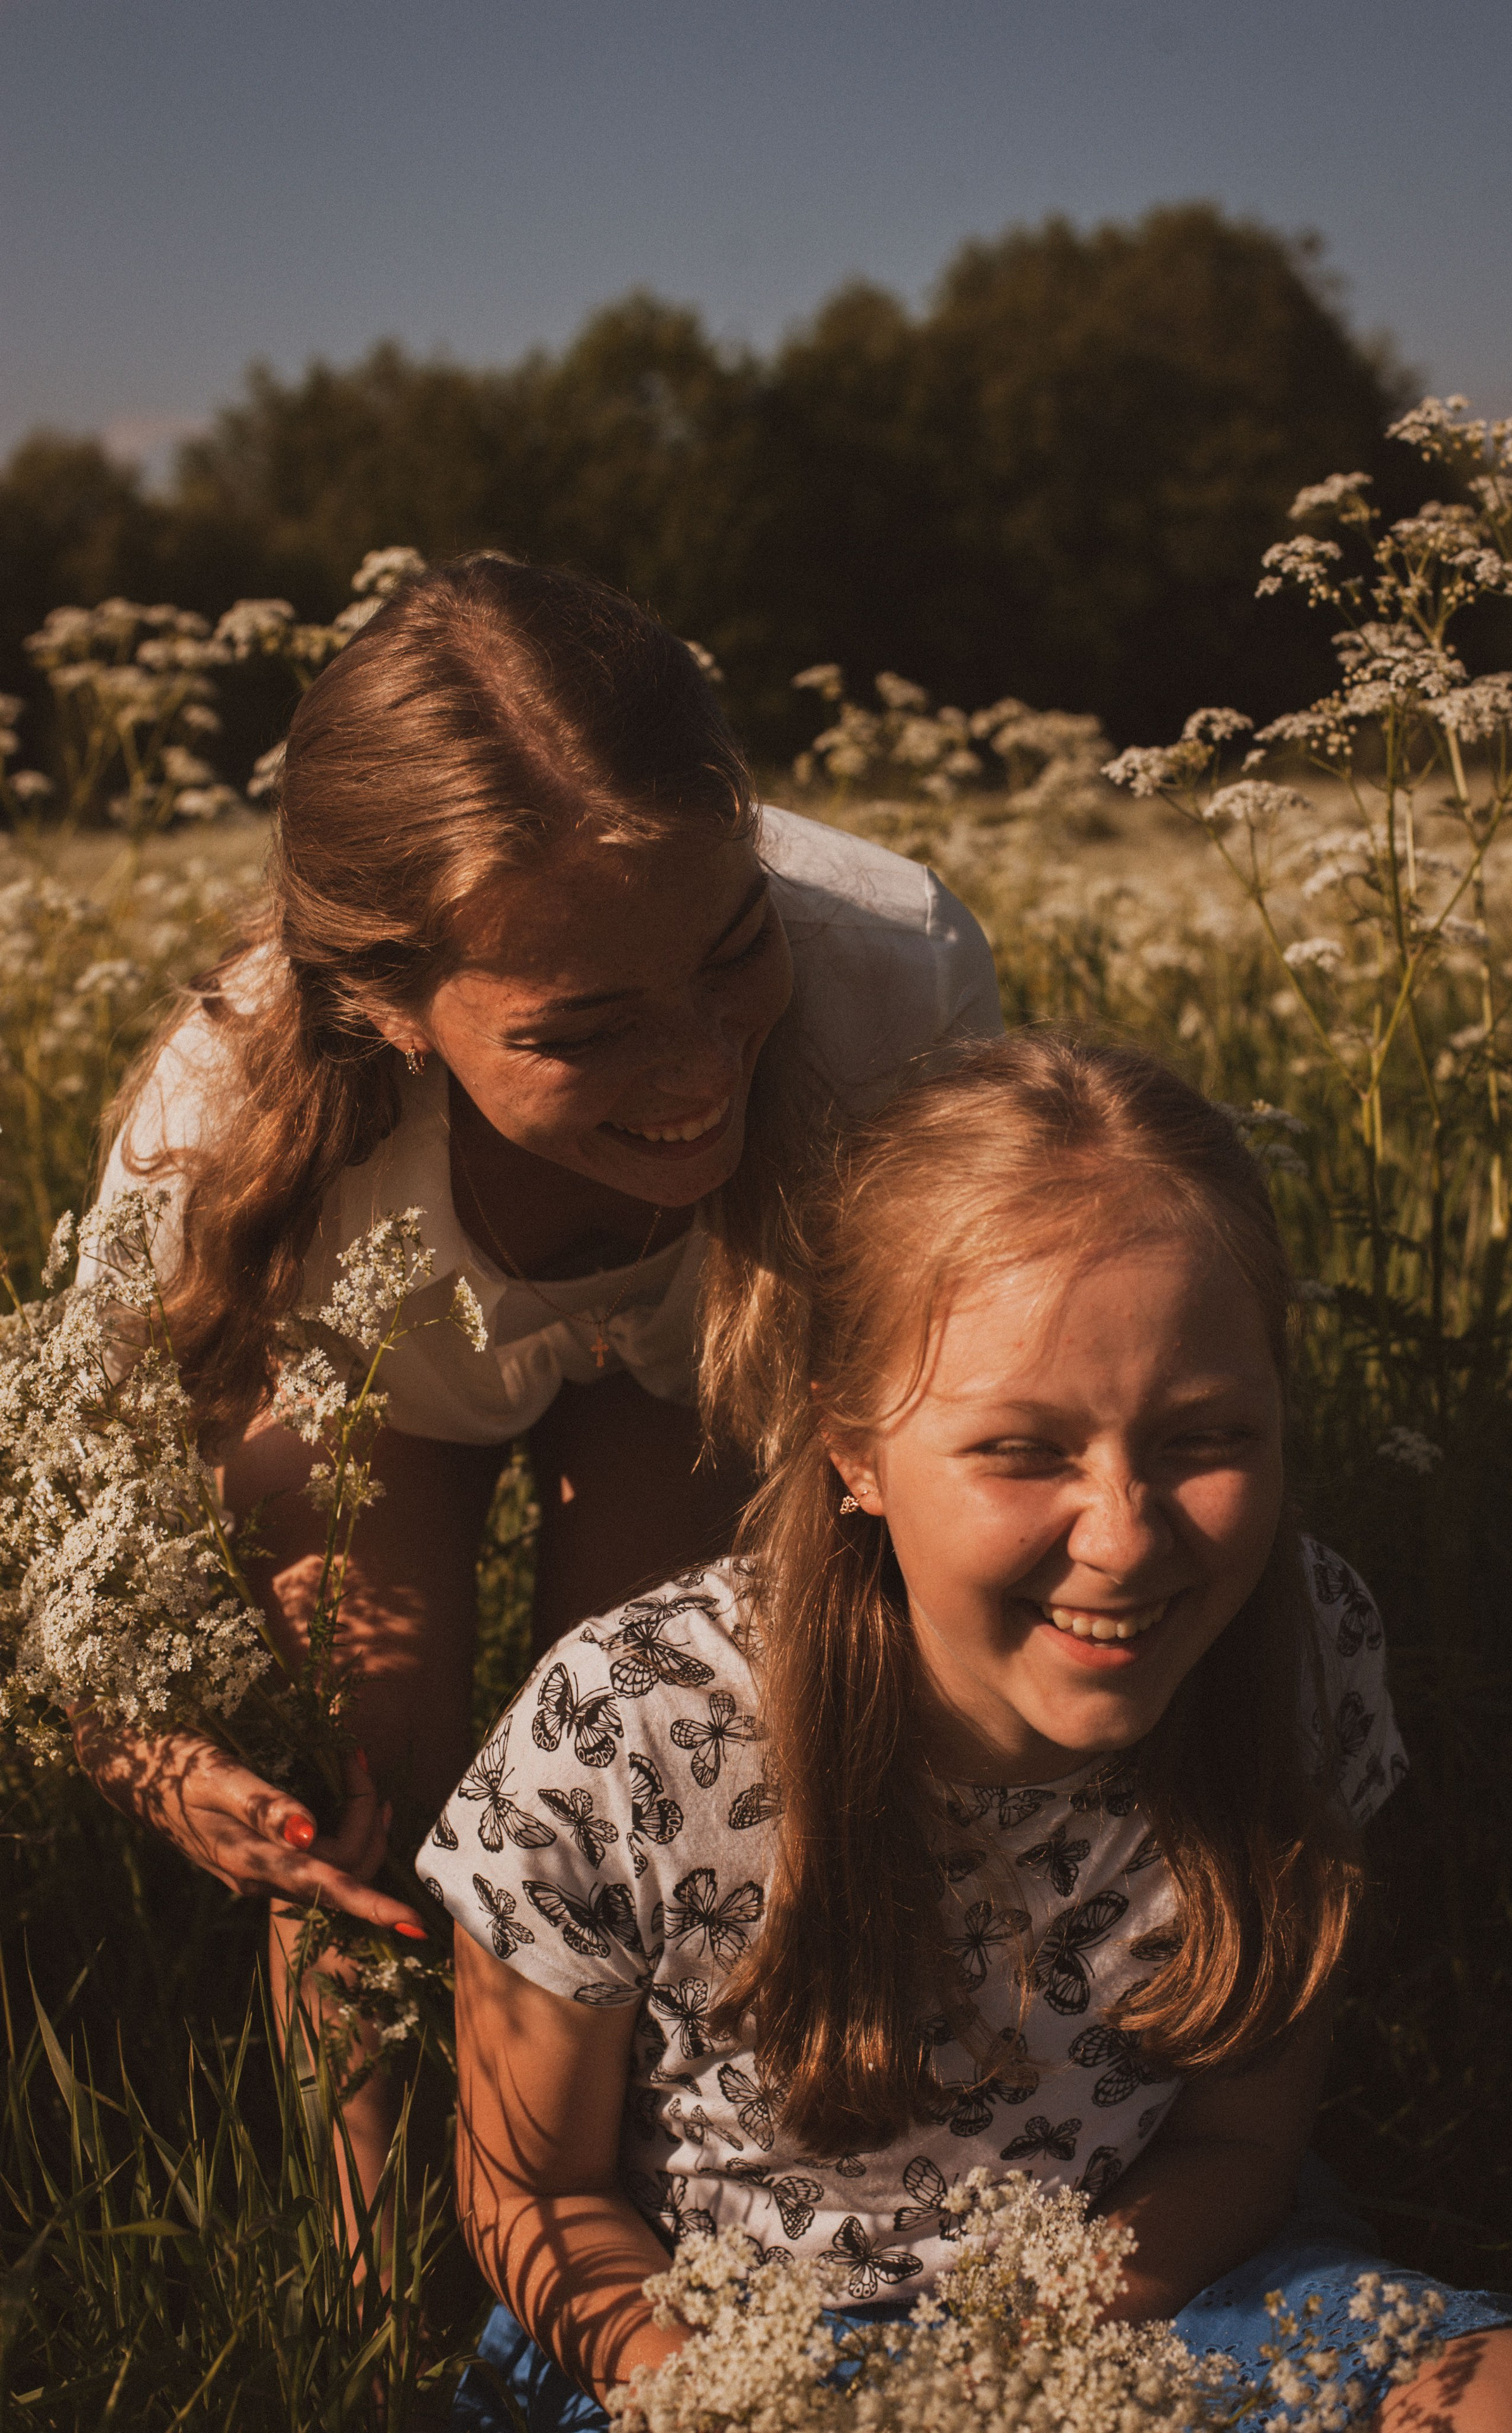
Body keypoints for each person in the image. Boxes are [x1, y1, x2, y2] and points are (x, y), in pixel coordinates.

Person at [435, 1034, 1512, 2432]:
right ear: (852, 1447)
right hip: (713, 2342)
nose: (1122, 1536)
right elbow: (534, 2193)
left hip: (1147, 2282)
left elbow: (1240, 2141)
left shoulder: (1295, 1645)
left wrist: (1029, 2371)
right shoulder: (628, 1727)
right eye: (1021, 1449)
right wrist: (717, 2391)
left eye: (1201, 1438)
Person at [73, 553, 1002, 2206]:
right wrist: (157, 1761)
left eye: (734, 953)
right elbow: (69, 1516)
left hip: (695, 1351)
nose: (705, 1066)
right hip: (375, 1376)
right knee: (361, 1792)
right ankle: (374, 2324)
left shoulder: (893, 975)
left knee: (672, 1769)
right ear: (388, 1006)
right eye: (584, 1031)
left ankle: (610, 2225)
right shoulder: (219, 1120)